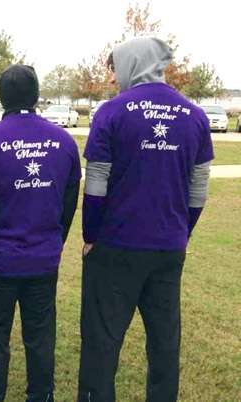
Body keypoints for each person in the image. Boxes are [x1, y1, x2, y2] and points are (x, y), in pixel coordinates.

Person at [77, 37, 213, 402]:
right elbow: (199, 188)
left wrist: (91, 232)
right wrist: (182, 230)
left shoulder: (112, 112)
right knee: (165, 339)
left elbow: (96, 181)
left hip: (115, 246)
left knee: (102, 340)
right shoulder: (195, 115)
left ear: (132, 63)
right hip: (168, 248)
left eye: (116, 67)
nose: (113, 75)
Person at [0, 65, 81, 402]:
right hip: (42, 258)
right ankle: (41, 395)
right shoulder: (63, 142)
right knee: (40, 335)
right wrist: (52, 240)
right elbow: (68, 202)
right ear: (36, 95)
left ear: (2, 98)